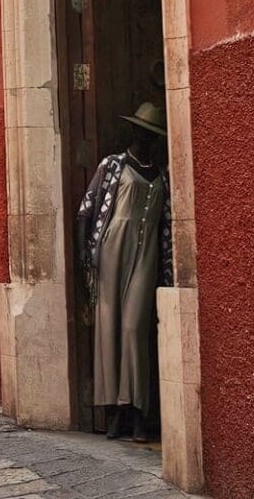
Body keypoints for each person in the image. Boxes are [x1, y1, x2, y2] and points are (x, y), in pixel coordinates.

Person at [77, 101, 173, 443]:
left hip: (145, 255)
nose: (147, 138)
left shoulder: (161, 174)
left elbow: (167, 223)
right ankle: (115, 414)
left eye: (153, 134)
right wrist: (85, 257)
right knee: (108, 330)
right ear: (134, 131)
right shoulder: (112, 165)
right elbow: (86, 210)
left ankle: (137, 410)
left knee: (133, 330)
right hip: (111, 249)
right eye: (143, 132)